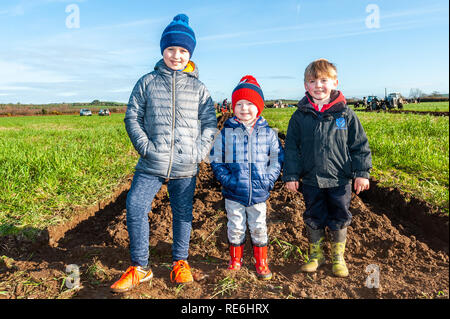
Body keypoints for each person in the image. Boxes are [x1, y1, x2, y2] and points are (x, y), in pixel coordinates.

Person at [110, 14, 217, 293]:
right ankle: (140, 268)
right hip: (151, 162)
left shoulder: (199, 88)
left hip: (185, 164)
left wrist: (199, 151)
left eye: (183, 50)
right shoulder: (146, 82)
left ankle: (180, 262)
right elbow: (132, 117)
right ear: (163, 50)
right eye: (171, 49)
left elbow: (209, 123)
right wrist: (145, 147)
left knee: (182, 213)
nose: (176, 55)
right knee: (135, 206)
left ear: (190, 53)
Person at [283, 59, 372, 277]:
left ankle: (338, 258)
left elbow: (359, 146)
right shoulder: (300, 116)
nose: (318, 85)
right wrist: (291, 175)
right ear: (306, 86)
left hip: (339, 180)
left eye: (324, 80)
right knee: (314, 215)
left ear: (334, 82)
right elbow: (292, 149)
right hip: (311, 180)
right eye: (312, 81)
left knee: (339, 216)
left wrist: (361, 174)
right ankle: (316, 256)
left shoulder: (346, 115)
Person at [210, 75, 284, 280]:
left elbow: (276, 159)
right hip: (234, 193)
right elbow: (216, 160)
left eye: (250, 103)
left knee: (259, 227)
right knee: (235, 226)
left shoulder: (268, 133)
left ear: (259, 107)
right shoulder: (226, 133)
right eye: (239, 103)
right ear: (233, 107)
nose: (244, 108)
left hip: (259, 193)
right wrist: (228, 181)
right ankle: (235, 260)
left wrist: (268, 181)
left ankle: (261, 262)